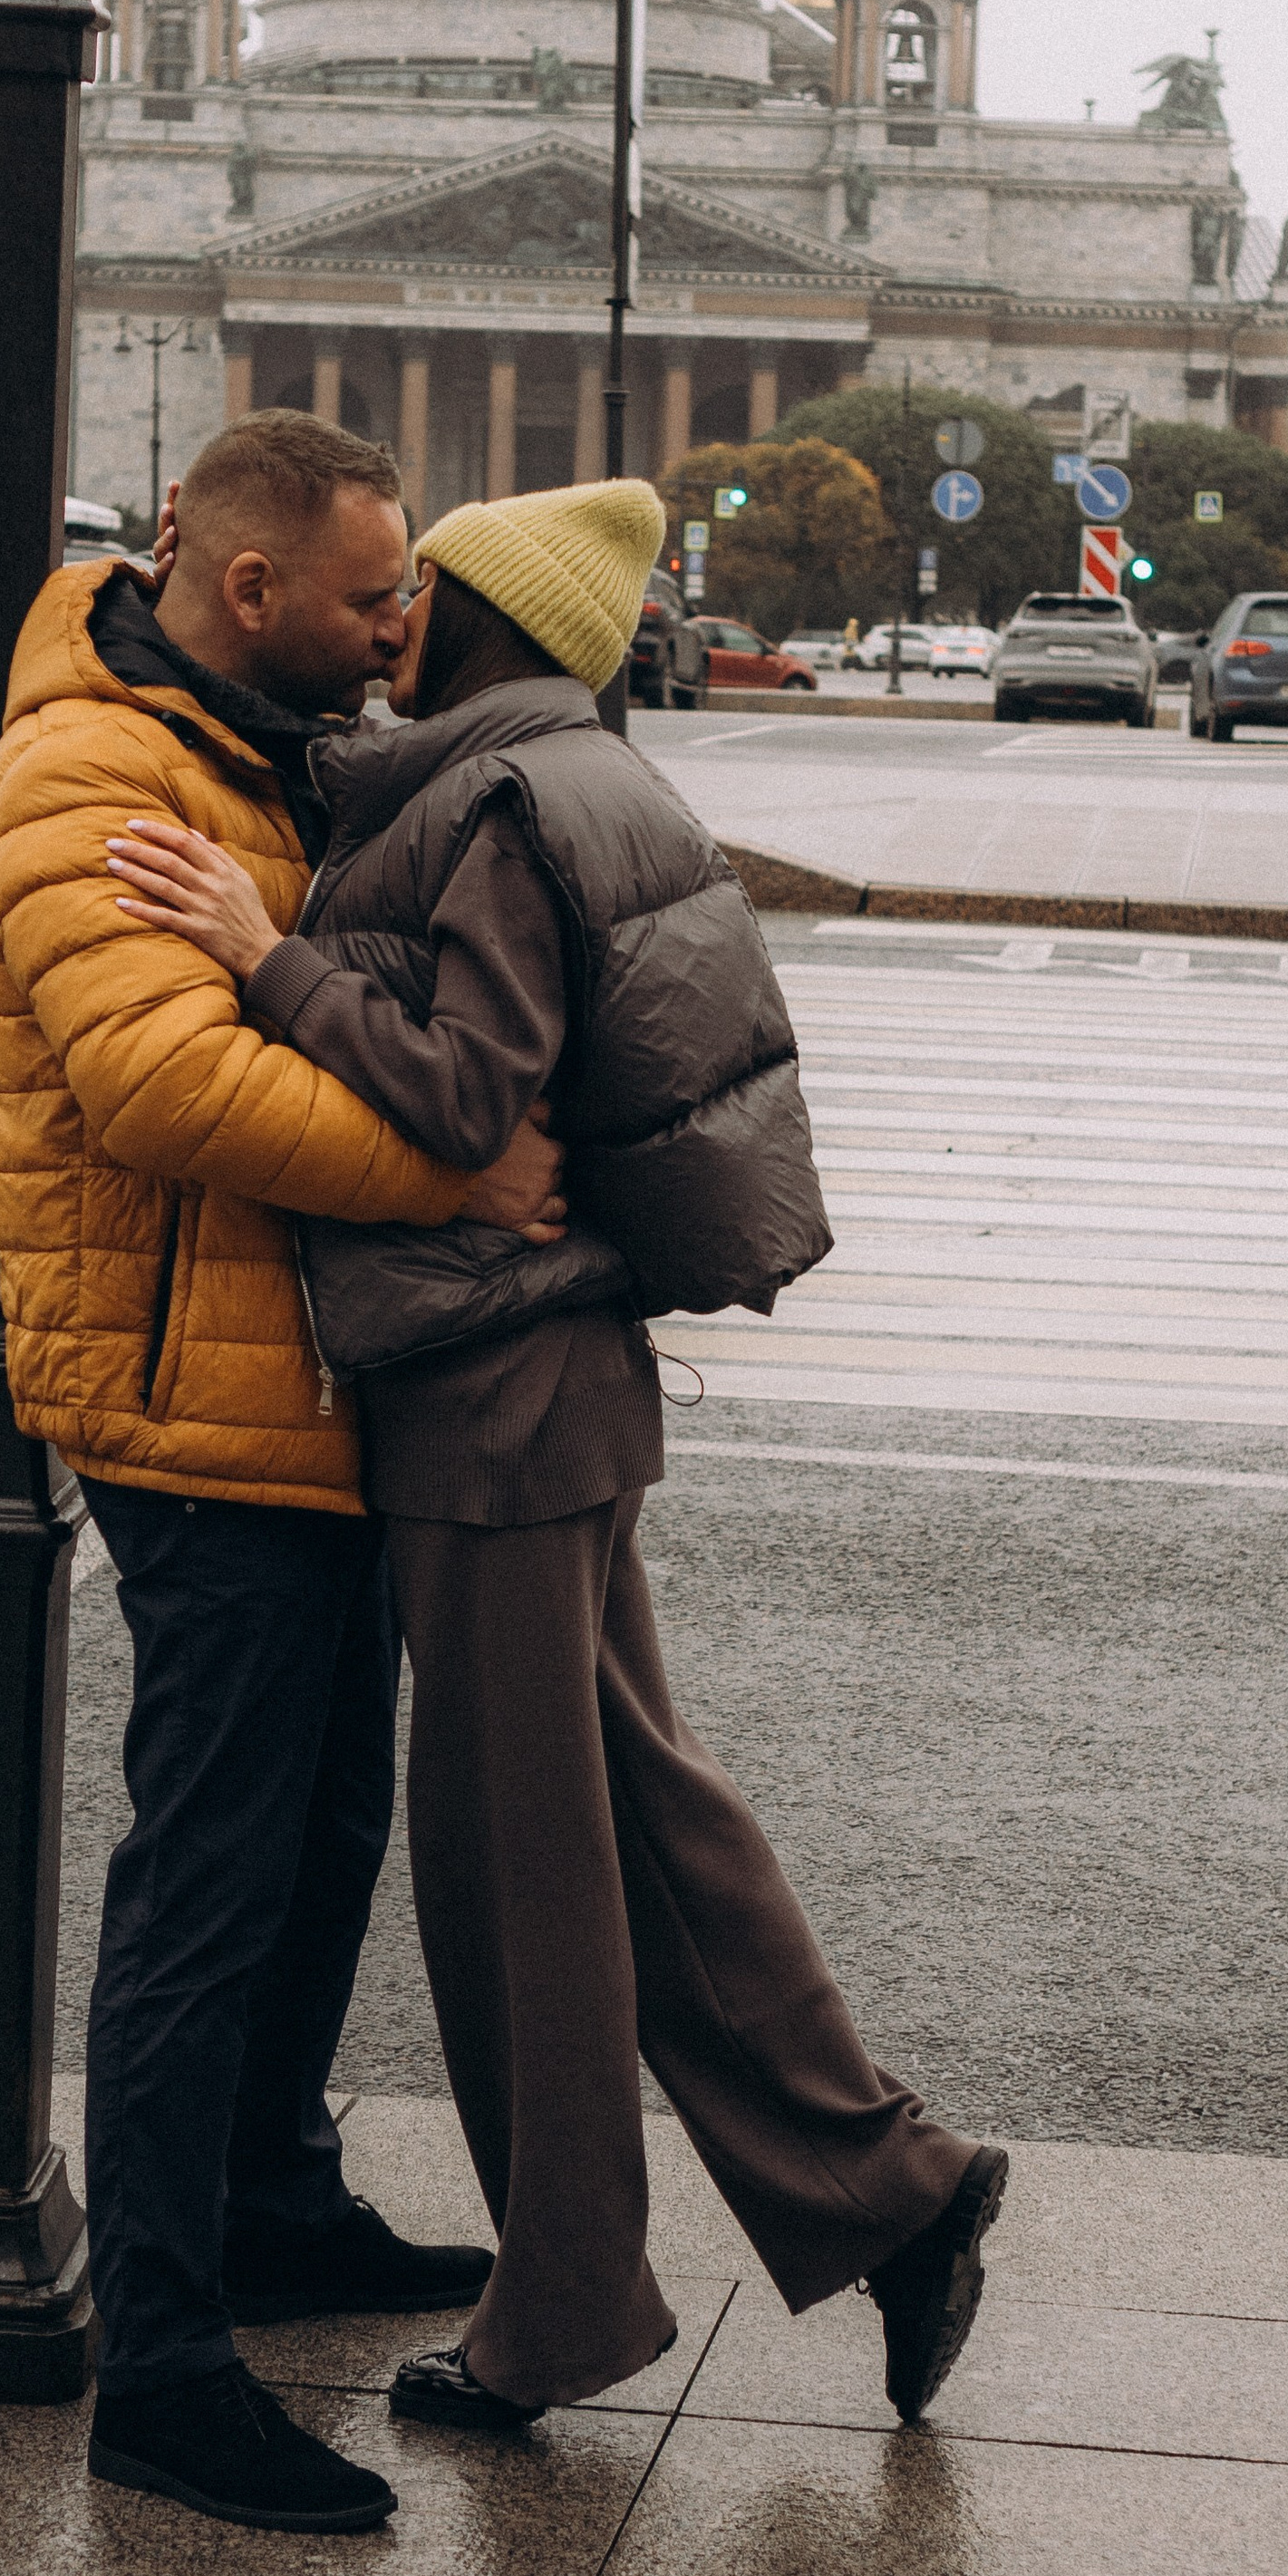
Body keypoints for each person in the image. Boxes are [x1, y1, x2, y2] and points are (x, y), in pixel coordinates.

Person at [106, 476, 1006, 2436]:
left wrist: (267, 953)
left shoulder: (502, 805)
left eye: (419, 587)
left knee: (518, 1876)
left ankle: (565, 2304)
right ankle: (891, 2187)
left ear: (492, 618)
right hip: (543, 1391)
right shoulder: (556, 775)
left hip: (490, 1395)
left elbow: (459, 1099)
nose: (392, 608)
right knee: (639, 1829)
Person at [0, 412, 571, 2539]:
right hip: (191, 1403)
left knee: (319, 1833)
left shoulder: (253, 743)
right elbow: (161, 1086)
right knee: (207, 1880)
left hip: (298, 1389)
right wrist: (460, 1170)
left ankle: (274, 2201)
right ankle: (170, 2363)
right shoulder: (86, 775)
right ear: (244, 593)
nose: (403, 623)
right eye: (372, 594)